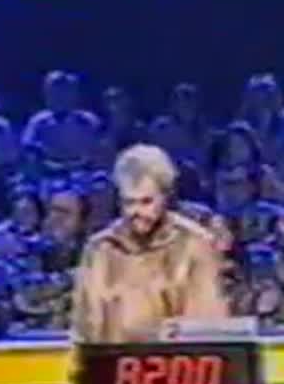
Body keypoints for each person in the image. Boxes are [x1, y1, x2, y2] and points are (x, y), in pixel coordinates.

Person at [71, 144, 226, 344]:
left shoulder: (194, 245)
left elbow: (206, 328)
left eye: (146, 202)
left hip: (178, 361)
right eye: (129, 203)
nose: (136, 212)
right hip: (110, 360)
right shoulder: (100, 249)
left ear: (166, 197)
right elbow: (84, 329)